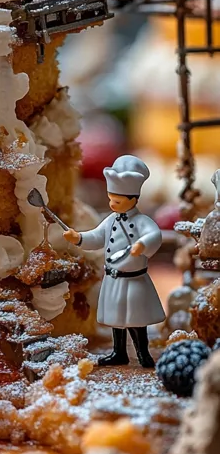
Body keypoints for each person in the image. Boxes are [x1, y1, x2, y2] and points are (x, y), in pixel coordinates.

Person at [63, 154, 165, 368]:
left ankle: (143, 353)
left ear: (133, 199)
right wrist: (78, 238)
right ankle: (119, 353)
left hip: (134, 280)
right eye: (110, 199)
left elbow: (154, 234)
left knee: (137, 321)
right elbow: (96, 237)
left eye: (117, 201)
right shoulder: (110, 220)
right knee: (116, 320)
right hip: (113, 279)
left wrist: (142, 245)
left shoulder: (142, 221)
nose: (112, 204)